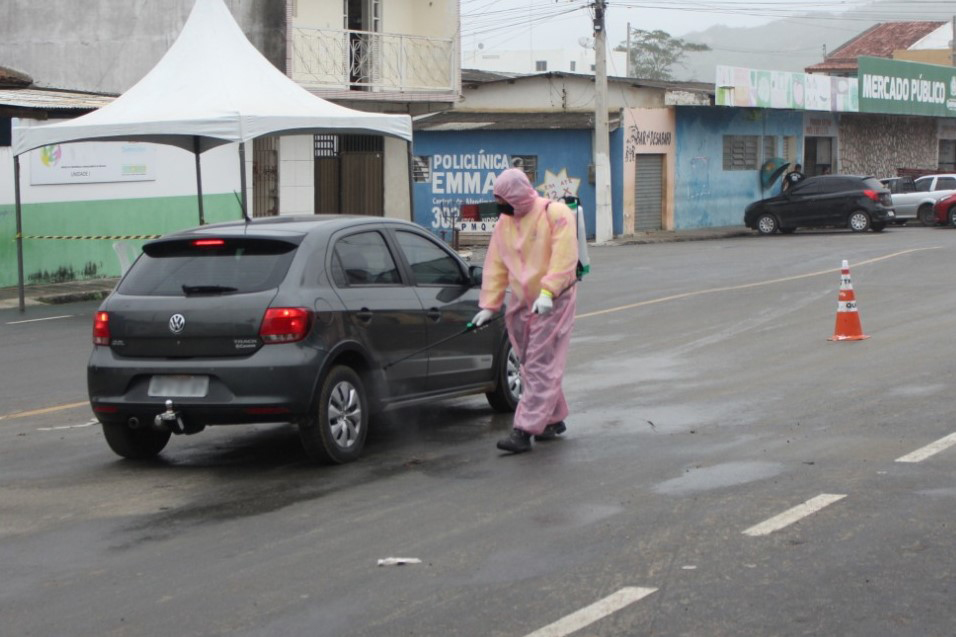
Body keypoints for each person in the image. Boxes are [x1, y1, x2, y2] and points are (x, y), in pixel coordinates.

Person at [471, 168, 579, 454]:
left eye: (503, 198)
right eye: (497, 199)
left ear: (517, 194)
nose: (500, 205)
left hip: (553, 301)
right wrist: (488, 306)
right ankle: (553, 419)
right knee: (529, 361)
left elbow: (565, 258)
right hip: (521, 301)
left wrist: (549, 291)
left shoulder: (554, 214)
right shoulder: (503, 225)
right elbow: (495, 266)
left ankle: (523, 430)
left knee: (539, 364)